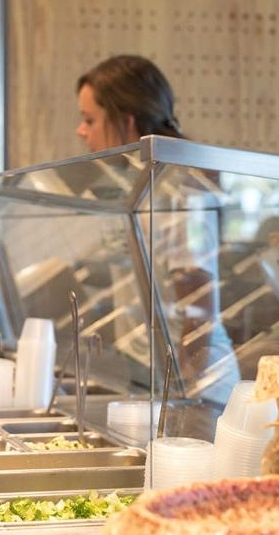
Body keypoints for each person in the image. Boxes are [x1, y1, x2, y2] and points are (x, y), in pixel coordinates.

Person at [75, 55, 239, 403]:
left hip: (198, 384)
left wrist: (180, 397)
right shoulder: (140, 184)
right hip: (155, 374)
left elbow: (197, 306)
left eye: (90, 119)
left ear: (126, 120)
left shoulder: (179, 189)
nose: (81, 130)